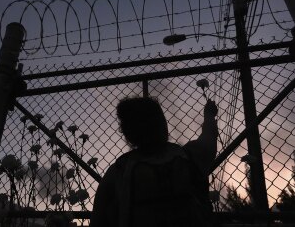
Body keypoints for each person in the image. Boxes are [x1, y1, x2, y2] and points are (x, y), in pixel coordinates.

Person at [90, 96, 218, 227]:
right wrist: (209, 115)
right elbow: (209, 136)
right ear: (162, 124)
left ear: (127, 133)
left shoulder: (118, 171)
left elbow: (98, 219)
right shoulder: (189, 156)